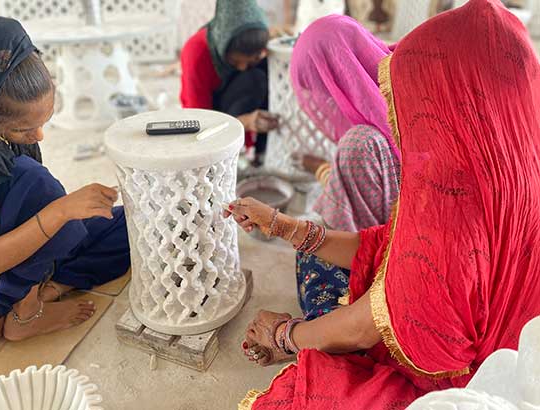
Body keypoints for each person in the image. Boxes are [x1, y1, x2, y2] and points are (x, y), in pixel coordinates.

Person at [227, 0, 540, 408]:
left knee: (313, 370)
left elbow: (367, 325)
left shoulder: (447, 204)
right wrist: (283, 225)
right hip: (508, 338)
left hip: (467, 376)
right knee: (316, 250)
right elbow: (386, 244)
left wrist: (287, 335)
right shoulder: (509, 154)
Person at [0, 17, 130, 343]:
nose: (38, 136)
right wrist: (61, 211)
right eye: (23, 130)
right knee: (37, 186)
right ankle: (23, 314)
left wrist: (68, 212)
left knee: (126, 227)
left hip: (7, 257)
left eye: (43, 122)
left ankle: (44, 293)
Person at [290, 15, 400, 321]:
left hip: (404, 266)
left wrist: (282, 225)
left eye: (321, 86)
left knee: (311, 245)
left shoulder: (361, 145)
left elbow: (353, 240)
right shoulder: (407, 83)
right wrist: (324, 169)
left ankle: (331, 333)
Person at [179, 0, 279, 164]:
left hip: (235, 103)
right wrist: (243, 122)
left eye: (250, 61)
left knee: (262, 72)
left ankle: (261, 154)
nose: (241, 68)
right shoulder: (196, 52)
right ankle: (231, 154)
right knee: (255, 78)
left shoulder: (259, 50)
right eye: (234, 61)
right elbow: (199, 124)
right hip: (207, 118)